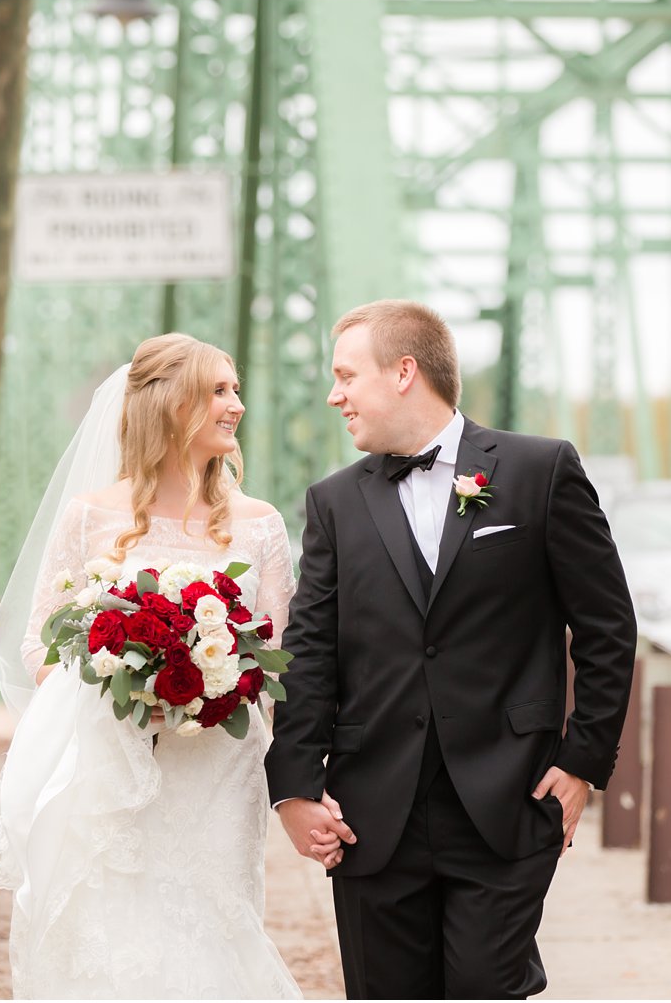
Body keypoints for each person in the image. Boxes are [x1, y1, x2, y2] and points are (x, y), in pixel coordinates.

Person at [266, 300, 638, 999]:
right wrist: (293, 785)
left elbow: (607, 626)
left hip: (509, 798)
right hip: (370, 811)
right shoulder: (333, 504)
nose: (333, 395)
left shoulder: (540, 471)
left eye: (347, 375)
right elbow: (310, 649)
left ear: (404, 371)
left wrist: (583, 760)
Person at [0, 334, 302, 999]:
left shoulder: (260, 525)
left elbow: (281, 656)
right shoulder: (90, 518)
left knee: (216, 923)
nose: (236, 404)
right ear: (170, 404)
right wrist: (128, 691)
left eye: (235, 388)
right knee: (113, 928)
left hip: (219, 768)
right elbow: (42, 644)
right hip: (116, 764)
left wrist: (213, 692)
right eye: (219, 390)